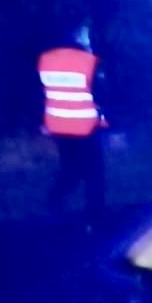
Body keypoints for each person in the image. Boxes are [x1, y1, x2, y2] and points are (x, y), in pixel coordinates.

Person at [38, 22, 107, 224]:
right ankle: (96, 217)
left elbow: (40, 92)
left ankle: (55, 202)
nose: (89, 39)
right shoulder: (89, 61)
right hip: (85, 125)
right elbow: (100, 94)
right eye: (85, 35)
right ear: (77, 37)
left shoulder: (46, 59)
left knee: (70, 168)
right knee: (95, 172)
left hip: (58, 125)